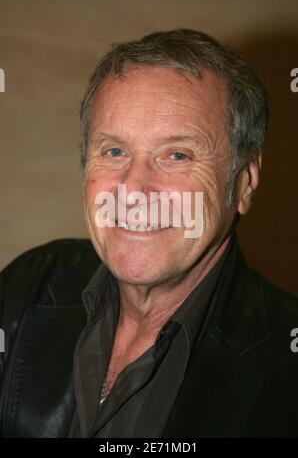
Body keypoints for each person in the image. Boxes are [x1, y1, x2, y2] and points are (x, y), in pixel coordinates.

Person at [0, 29, 297, 438]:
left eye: (177, 155)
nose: (134, 190)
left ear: (244, 183)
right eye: (114, 151)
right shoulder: (28, 286)